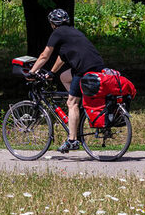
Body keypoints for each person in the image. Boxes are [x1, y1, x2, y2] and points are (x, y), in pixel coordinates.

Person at [29, 8, 105, 153]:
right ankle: (78, 108)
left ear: (52, 23)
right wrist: (51, 72)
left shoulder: (57, 33)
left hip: (83, 68)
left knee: (71, 102)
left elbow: (44, 55)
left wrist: (32, 71)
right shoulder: (72, 32)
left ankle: (72, 140)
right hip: (96, 65)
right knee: (64, 77)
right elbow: (62, 57)